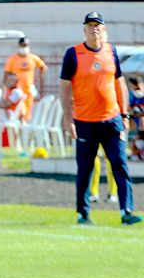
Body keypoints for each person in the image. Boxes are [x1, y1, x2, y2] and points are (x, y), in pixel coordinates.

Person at [59, 11, 142, 225]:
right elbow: (65, 89)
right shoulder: (73, 54)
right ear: (84, 29)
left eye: (98, 25)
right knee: (85, 168)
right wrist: (68, 118)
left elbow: (119, 83)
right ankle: (83, 213)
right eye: (90, 25)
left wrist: (124, 114)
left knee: (119, 164)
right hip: (85, 121)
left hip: (111, 119)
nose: (94, 29)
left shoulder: (111, 51)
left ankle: (126, 211)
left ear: (103, 29)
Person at [3, 37, 47, 122]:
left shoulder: (33, 58)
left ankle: (25, 126)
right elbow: (6, 73)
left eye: (25, 45)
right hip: (16, 90)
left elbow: (43, 67)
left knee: (27, 111)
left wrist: (38, 78)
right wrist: (5, 85)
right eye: (22, 45)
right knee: (18, 111)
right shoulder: (12, 59)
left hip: (28, 89)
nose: (24, 47)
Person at [128, 76, 144, 160]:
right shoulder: (133, 94)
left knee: (136, 141)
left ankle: (138, 155)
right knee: (135, 142)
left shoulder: (134, 95)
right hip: (139, 124)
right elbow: (130, 108)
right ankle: (137, 155)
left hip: (140, 124)